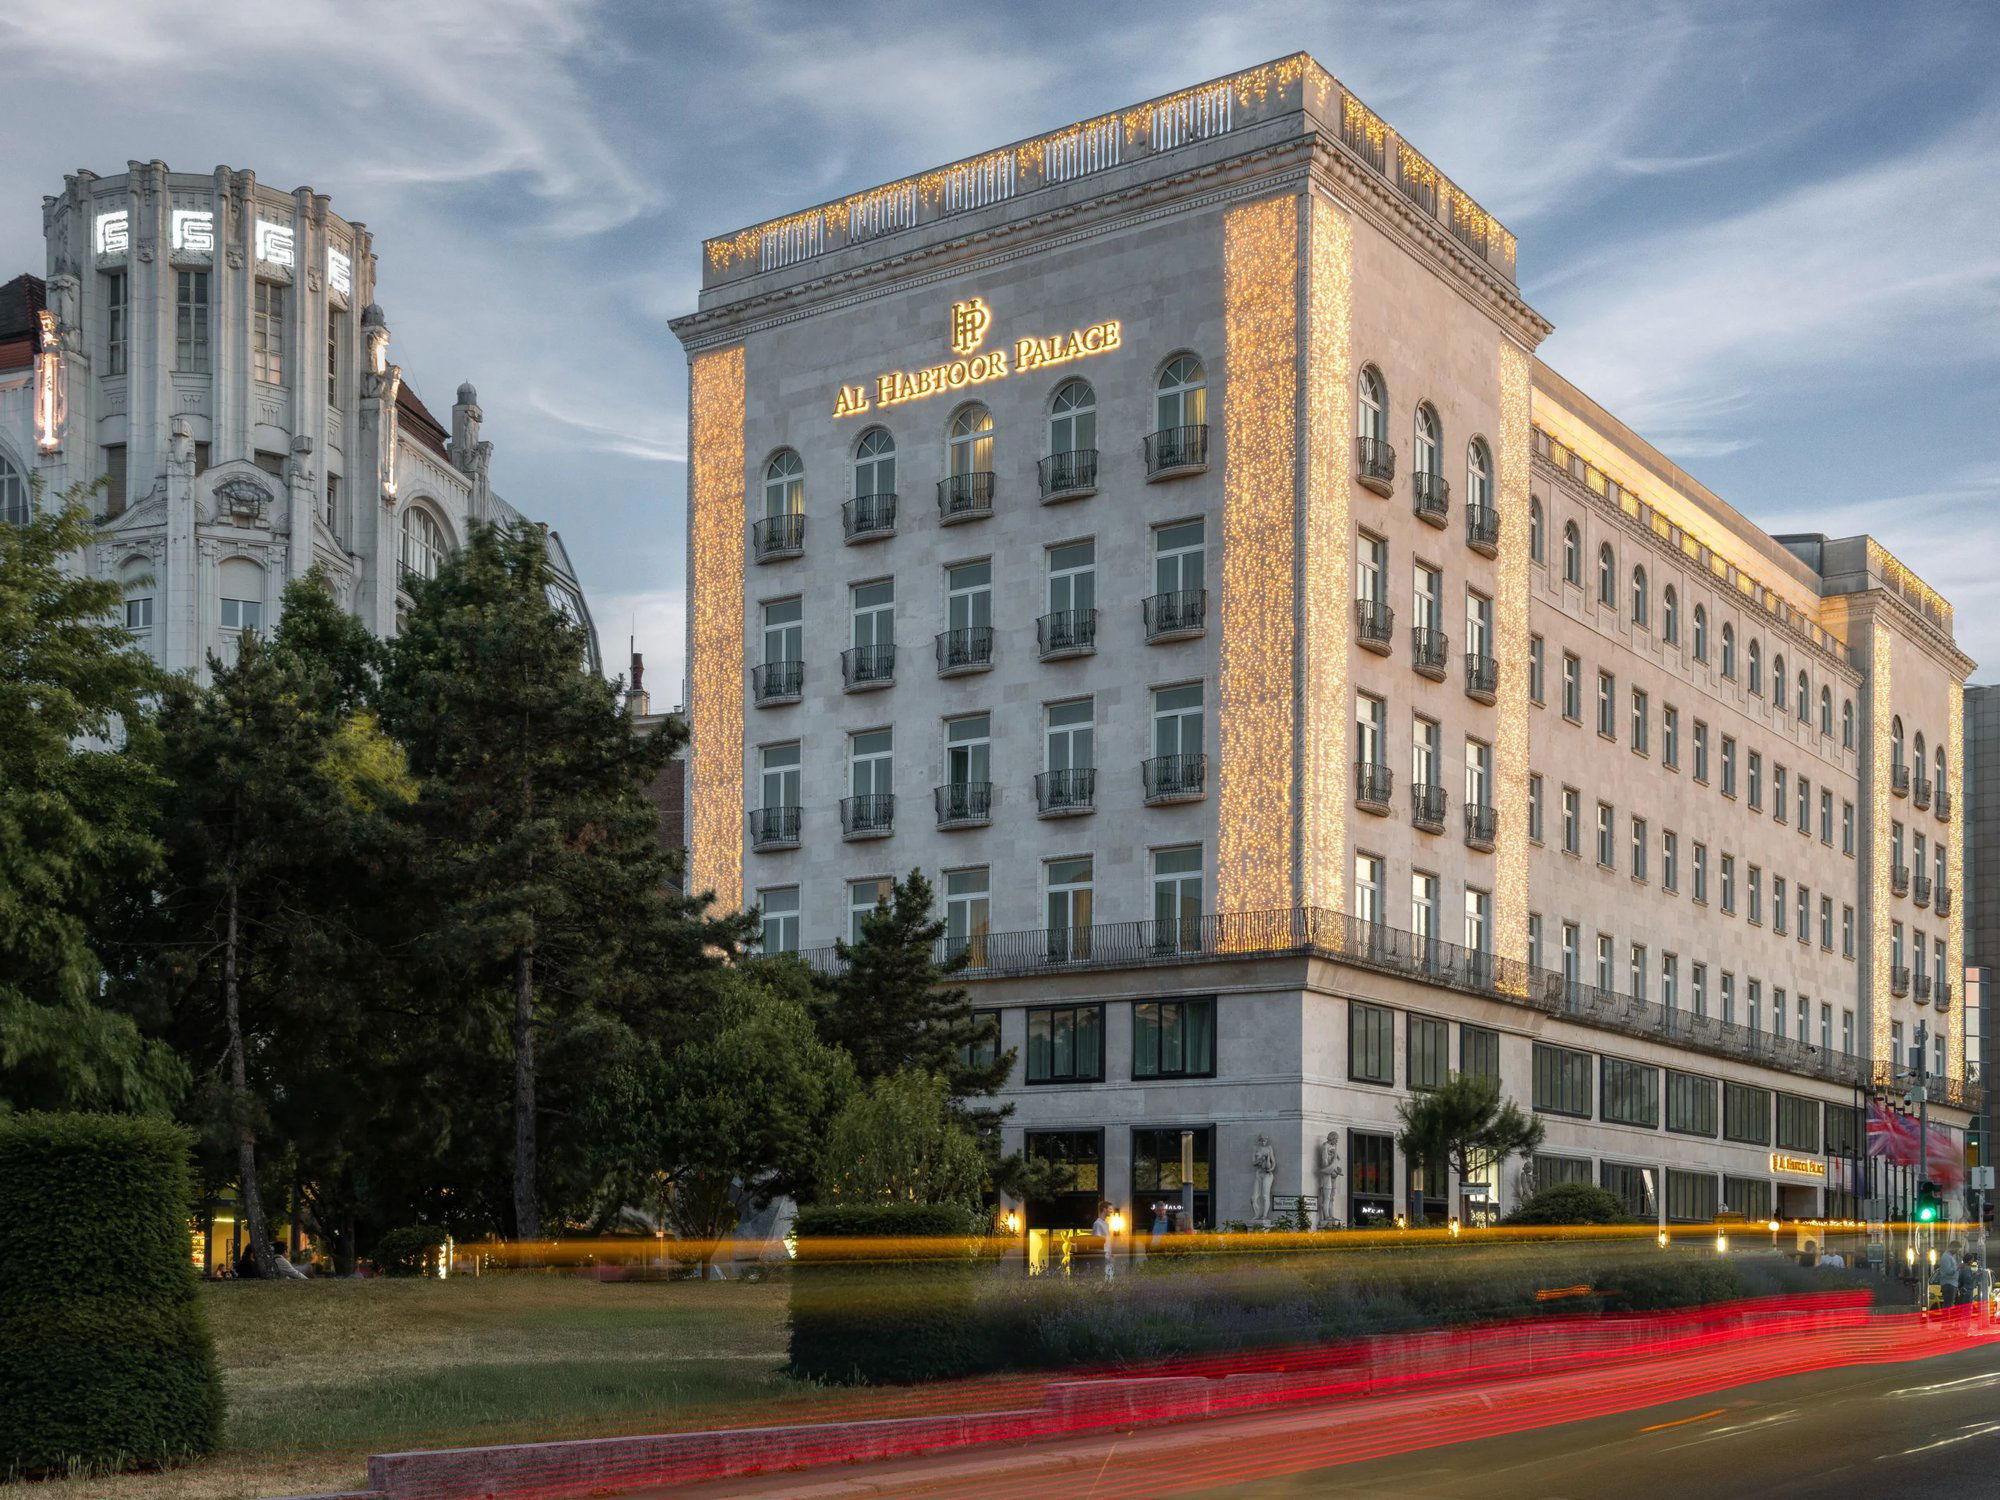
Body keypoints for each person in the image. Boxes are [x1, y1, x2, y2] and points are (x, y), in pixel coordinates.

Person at [1089, 1200, 1117, 1280]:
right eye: (1110, 1209)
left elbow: (1107, 1242)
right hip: (1103, 1258)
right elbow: (1097, 1242)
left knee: (1110, 1280)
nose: (1111, 1211)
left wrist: (1110, 1254)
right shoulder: (1097, 1224)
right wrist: (1105, 1256)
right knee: (1105, 1280)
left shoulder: (1106, 1224)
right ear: (1104, 1209)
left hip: (1108, 1257)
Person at [1939, 1241, 1962, 1307]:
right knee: (1948, 1304)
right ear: (1953, 1247)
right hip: (1949, 1284)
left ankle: (1948, 1316)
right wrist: (1958, 1267)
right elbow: (1948, 1271)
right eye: (1957, 1249)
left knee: (1950, 1304)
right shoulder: (1946, 1257)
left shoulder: (1950, 1256)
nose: (1957, 1251)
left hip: (1951, 1284)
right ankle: (1947, 1317)